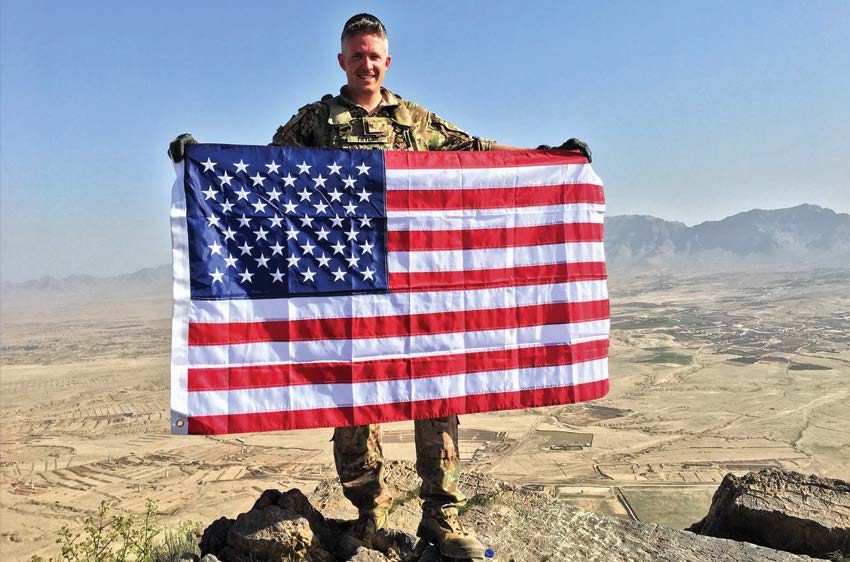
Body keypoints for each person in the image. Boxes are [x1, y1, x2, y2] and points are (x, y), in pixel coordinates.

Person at [168, 13, 591, 560]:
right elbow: (261, 168)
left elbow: (474, 151)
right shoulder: (316, 120)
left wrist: (547, 159)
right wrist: (202, 157)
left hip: (416, 281)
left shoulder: (414, 120)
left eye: (375, 56)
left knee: (435, 392)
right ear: (341, 61)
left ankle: (442, 519)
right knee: (353, 397)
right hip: (344, 280)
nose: (366, 64)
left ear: (386, 61)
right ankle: (372, 515)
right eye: (356, 55)